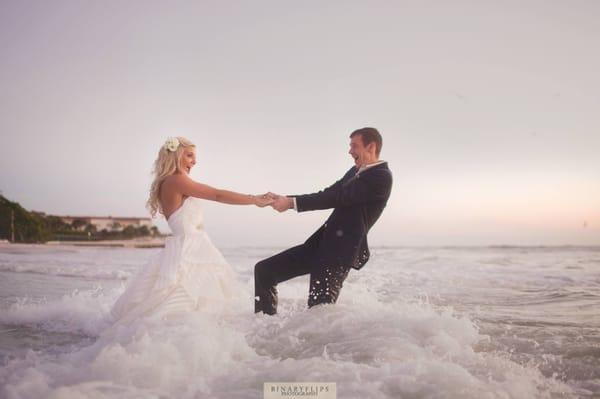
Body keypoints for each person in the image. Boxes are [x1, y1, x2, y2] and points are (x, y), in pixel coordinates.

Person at [109, 136, 273, 326]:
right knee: (188, 305)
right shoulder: (177, 180)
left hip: (185, 248)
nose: (194, 161)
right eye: (189, 156)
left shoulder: (169, 182)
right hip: (190, 251)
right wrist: (254, 199)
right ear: (175, 155)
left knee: (188, 306)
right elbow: (217, 195)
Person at [254, 127, 393, 315]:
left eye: (354, 146)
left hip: (339, 253)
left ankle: (325, 344)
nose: (350, 151)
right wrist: (284, 198)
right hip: (320, 245)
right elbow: (327, 193)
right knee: (265, 271)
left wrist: (290, 204)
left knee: (318, 313)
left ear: (371, 147)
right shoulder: (354, 171)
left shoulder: (381, 176)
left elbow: (338, 198)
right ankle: (265, 326)